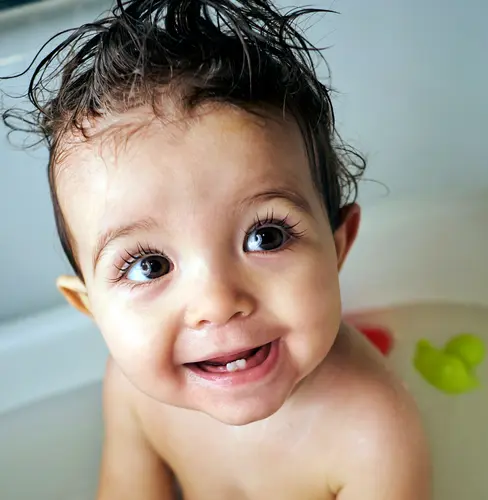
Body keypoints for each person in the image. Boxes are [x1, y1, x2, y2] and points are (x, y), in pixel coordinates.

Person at [2, 1, 431, 498]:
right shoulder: (132, 390)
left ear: (339, 247)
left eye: (265, 236)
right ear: (91, 307)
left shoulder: (372, 429)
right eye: (150, 266)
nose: (217, 303)